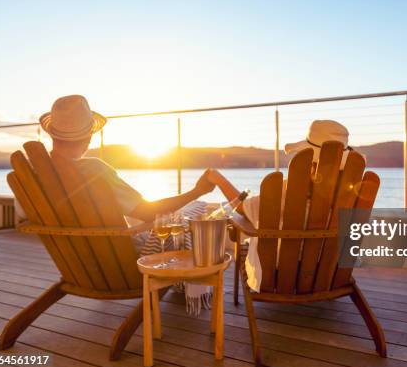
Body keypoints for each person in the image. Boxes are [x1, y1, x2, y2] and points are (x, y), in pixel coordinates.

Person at [23, 94, 216, 251]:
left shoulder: (37, 174)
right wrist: (197, 191)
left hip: (78, 259)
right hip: (122, 256)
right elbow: (149, 213)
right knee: (195, 208)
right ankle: (192, 292)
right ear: (89, 136)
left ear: (52, 134)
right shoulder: (94, 171)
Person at [206, 119, 356, 291]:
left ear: (311, 165)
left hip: (278, 276)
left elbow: (241, 207)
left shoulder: (285, 193)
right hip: (328, 274)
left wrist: (218, 178)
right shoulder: (350, 195)